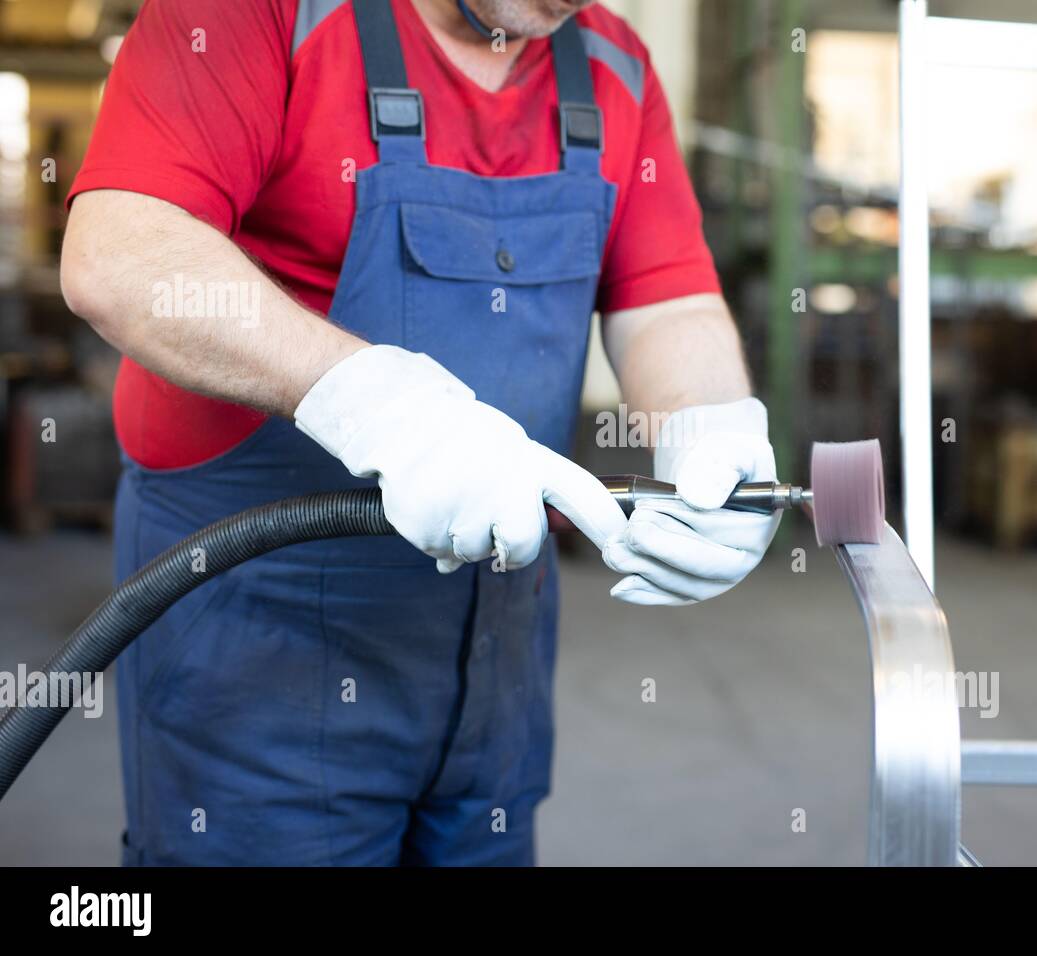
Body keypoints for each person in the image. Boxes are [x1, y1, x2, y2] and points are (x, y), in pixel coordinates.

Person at [60, 0, 780, 865]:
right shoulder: (258, 16)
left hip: (493, 657)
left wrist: (708, 427)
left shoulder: (614, 66)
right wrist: (378, 405)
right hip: (256, 648)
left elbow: (667, 299)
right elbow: (123, 252)